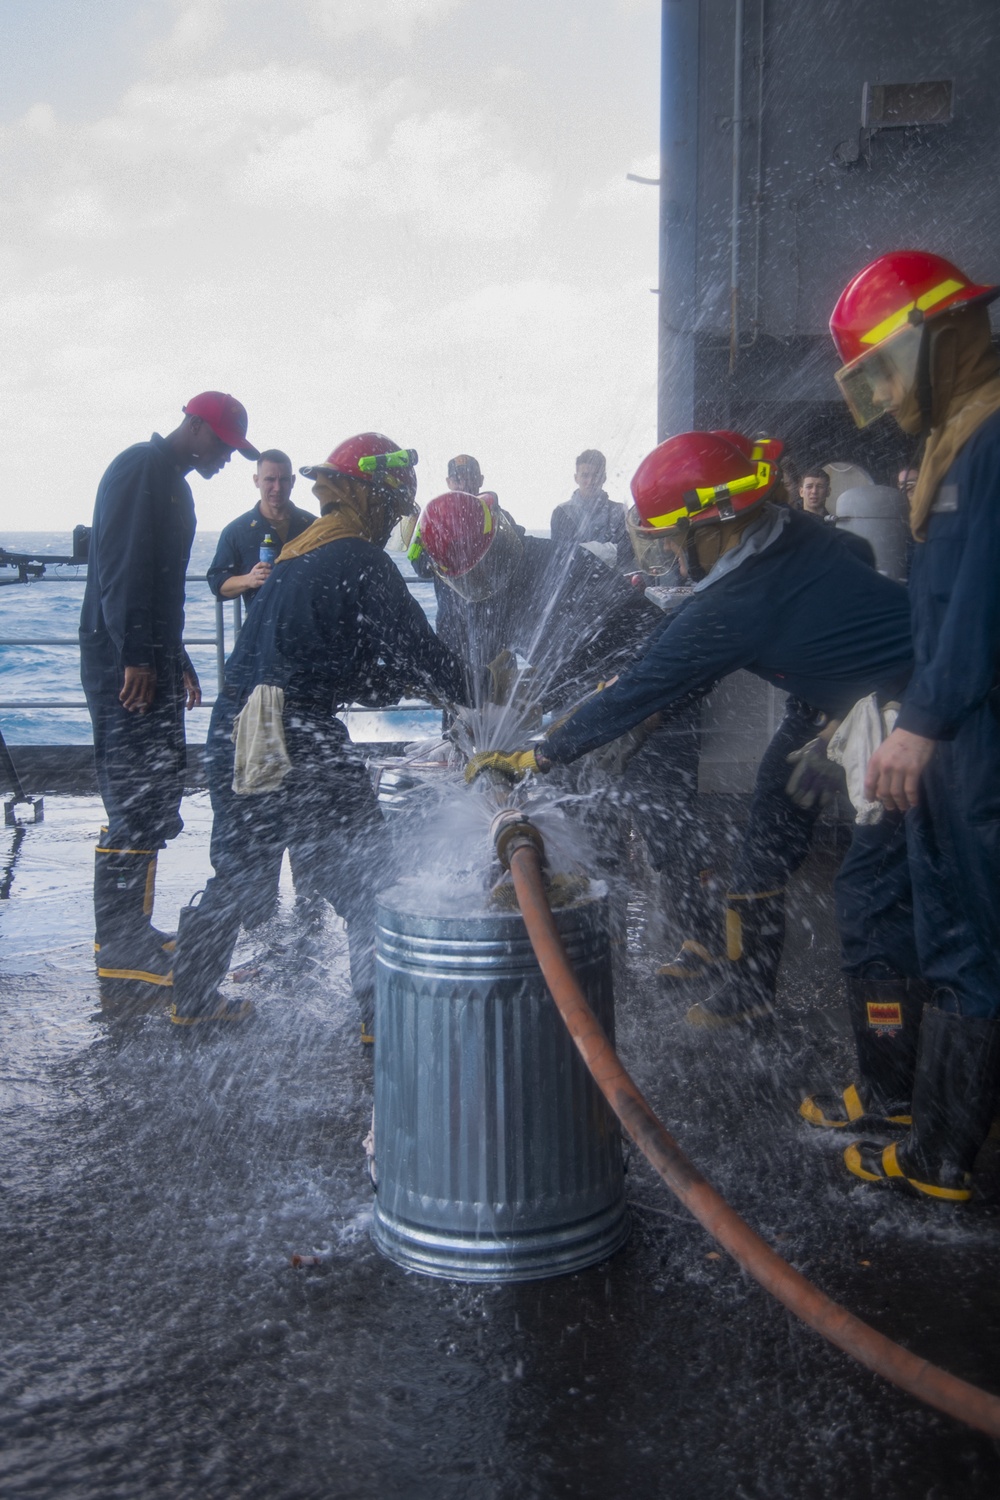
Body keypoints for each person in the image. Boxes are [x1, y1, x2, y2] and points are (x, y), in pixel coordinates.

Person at [466, 431, 915, 1053]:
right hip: (822, 725)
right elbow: (857, 552)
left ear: (717, 520)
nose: (672, 554)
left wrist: (537, 754)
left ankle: (892, 1092)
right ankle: (749, 991)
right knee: (770, 836)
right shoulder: (788, 529)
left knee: (874, 895)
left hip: (910, 729)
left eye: (677, 537)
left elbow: (643, 686)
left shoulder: (736, 601)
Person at [168, 434, 468, 1037]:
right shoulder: (360, 558)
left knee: (241, 874)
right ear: (367, 497)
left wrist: (377, 680)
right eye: (390, 505)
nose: (390, 520)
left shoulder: (298, 555)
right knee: (367, 875)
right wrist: (481, 689)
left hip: (235, 725)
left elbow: (312, 651)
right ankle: (379, 1017)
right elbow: (423, 655)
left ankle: (192, 999)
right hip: (297, 731)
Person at [827, 249, 1000, 1202]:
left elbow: (982, 602)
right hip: (957, 735)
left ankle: (942, 1157)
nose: (888, 395)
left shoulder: (992, 439)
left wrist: (924, 721)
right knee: (955, 942)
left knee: (979, 943)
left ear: (944, 339)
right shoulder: (957, 442)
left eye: (890, 369)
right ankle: (937, 1144)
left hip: (979, 736)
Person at [80, 391, 258, 988]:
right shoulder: (139, 468)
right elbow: (122, 568)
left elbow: (161, 589)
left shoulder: (174, 484)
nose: (228, 461)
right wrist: (135, 654)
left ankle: (132, 930)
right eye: (226, 447)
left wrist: (174, 656)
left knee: (153, 792)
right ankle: (121, 943)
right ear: (195, 426)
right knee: (133, 794)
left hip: (149, 659)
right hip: (124, 665)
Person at [207, 449, 314, 608]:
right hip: (261, 629)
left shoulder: (314, 526)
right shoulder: (237, 531)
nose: (277, 488)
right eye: (270, 479)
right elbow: (217, 583)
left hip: (310, 629)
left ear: (293, 481)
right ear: (256, 480)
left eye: (283, 479)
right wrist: (249, 580)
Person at [550, 449, 631, 568]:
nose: (590, 481)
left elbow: (627, 553)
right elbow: (562, 554)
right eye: (585, 475)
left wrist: (585, 549)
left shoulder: (620, 511)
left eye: (596, 475)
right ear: (576, 478)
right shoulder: (562, 512)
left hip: (613, 583)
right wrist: (609, 551)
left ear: (604, 478)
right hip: (576, 583)